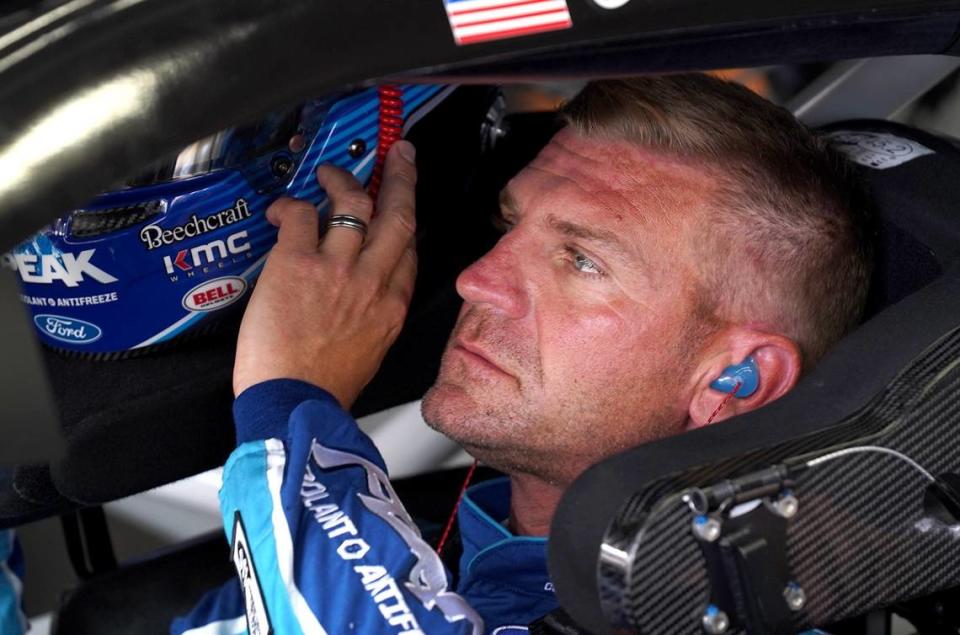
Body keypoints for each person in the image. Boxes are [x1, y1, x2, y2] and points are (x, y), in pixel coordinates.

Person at [173, 74, 872, 634]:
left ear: (734, 379)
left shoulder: (734, 611)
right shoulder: (440, 546)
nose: (478, 280)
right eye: (510, 225)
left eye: (581, 260)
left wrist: (288, 400)